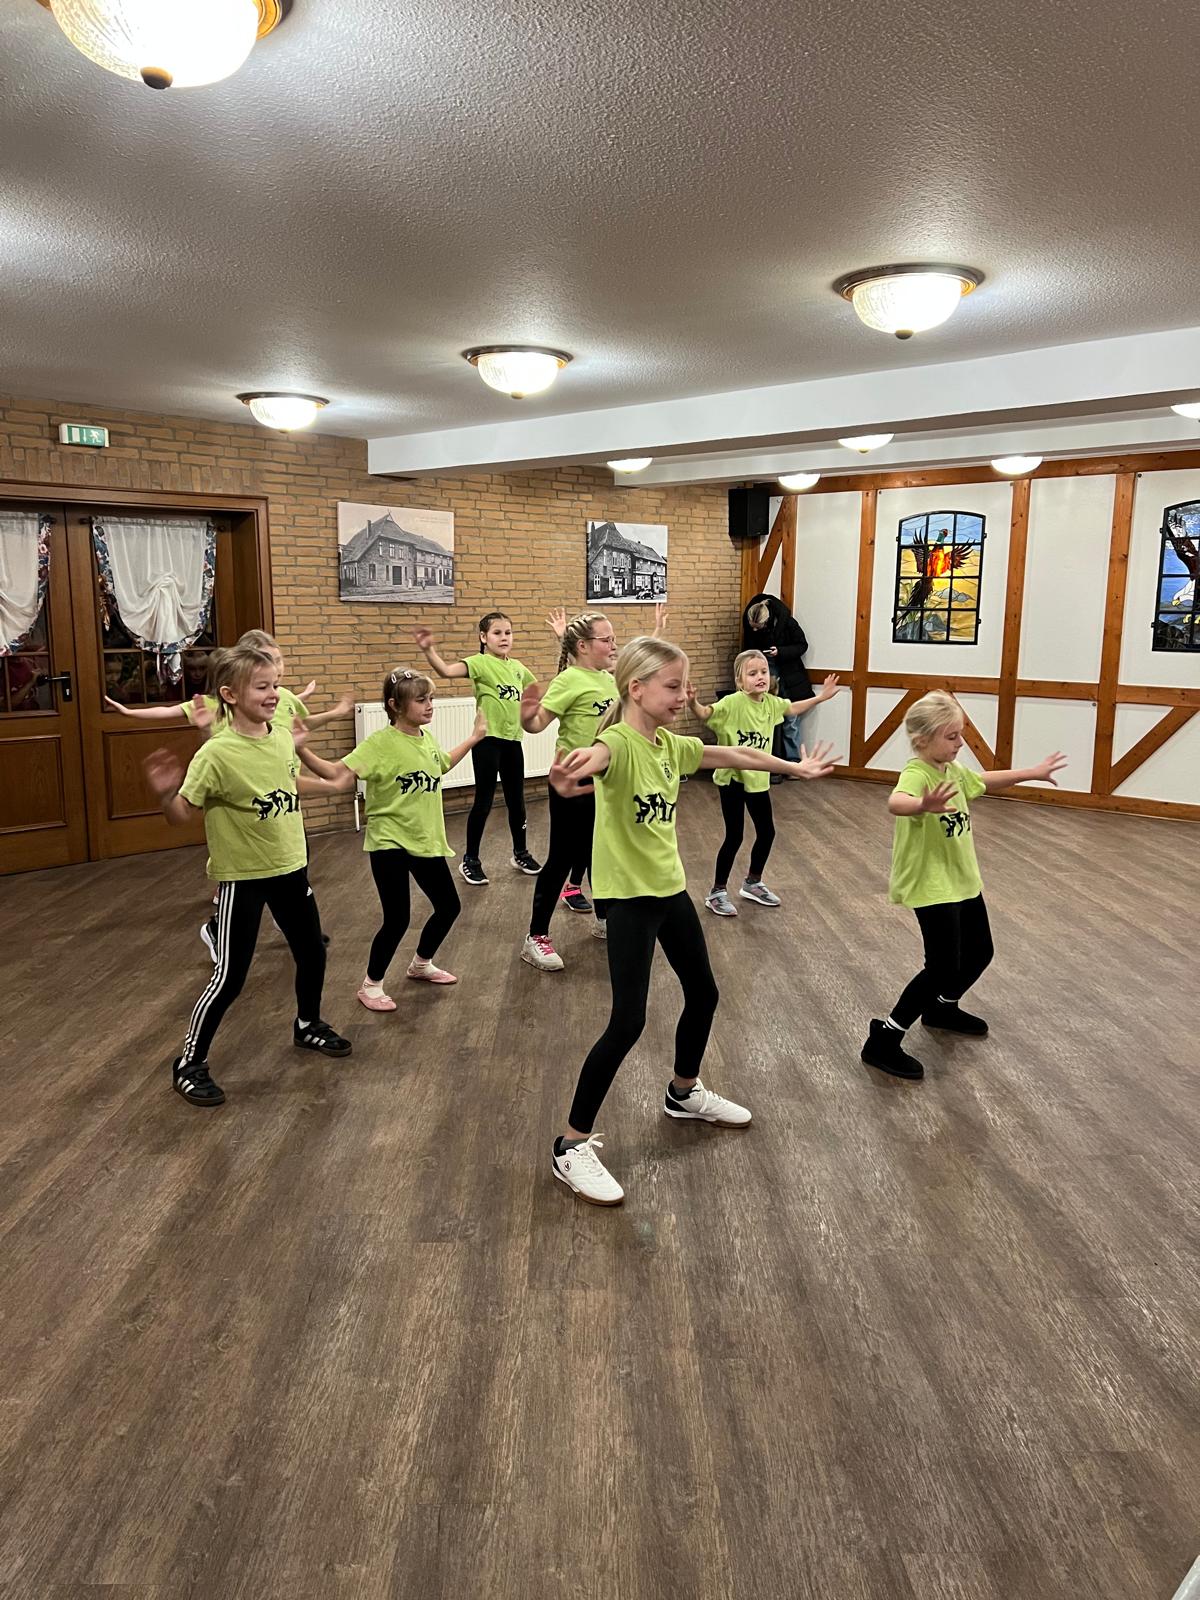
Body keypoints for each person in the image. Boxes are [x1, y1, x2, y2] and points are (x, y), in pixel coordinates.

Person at [548, 635, 839, 1205]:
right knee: (627, 1021)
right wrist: (566, 782)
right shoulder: (618, 742)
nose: (684, 696)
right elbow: (592, 761)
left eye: (684, 686)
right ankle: (570, 1144)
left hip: (670, 892)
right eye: (673, 686)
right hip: (630, 900)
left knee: (703, 994)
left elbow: (736, 756)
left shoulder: (669, 745)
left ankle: (683, 1093)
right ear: (636, 689)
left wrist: (793, 767)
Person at [141, 642, 353, 1108]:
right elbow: (181, 813)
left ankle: (308, 1024)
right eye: (262, 687)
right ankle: (189, 1062)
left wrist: (329, 785)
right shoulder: (216, 754)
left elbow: (284, 780)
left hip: (290, 865)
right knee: (230, 976)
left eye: (274, 684)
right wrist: (165, 794)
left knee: (312, 952)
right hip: (244, 877)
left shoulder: (279, 736)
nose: (274, 694)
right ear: (230, 695)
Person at [861, 690, 1067, 1080]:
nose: (960, 743)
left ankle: (942, 1008)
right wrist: (921, 805)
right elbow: (896, 801)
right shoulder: (919, 773)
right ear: (923, 740)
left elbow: (982, 781)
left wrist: (1031, 772)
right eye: (952, 736)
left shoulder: (952, 770)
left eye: (961, 734)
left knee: (980, 952)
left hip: (962, 879)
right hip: (931, 884)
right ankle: (884, 1039)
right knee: (941, 967)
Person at [294, 669, 487, 1009]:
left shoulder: (425, 738)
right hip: (389, 842)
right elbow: (337, 774)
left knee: (449, 907)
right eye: (421, 700)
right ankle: (371, 985)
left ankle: (421, 964)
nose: (430, 705)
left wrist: (473, 738)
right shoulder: (380, 744)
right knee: (398, 918)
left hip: (425, 840)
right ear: (395, 705)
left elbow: (441, 764)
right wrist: (302, 750)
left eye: (431, 698)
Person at [689, 650, 841, 915]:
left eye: (764, 672)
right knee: (734, 836)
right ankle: (717, 892)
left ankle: (753, 882)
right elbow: (705, 713)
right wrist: (692, 702)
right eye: (752, 673)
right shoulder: (732, 703)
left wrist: (821, 697)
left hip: (758, 779)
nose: (760, 677)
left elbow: (792, 708)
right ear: (739, 681)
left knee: (767, 832)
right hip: (732, 780)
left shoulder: (771, 703)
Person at [517, 610, 620, 970]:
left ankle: (604, 919)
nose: (613, 644)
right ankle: (536, 937)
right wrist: (526, 714)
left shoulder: (608, 679)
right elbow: (537, 724)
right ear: (583, 646)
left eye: (613, 638)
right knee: (562, 858)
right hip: (571, 781)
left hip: (606, 781)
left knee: (600, 853)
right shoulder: (569, 680)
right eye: (606, 639)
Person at [415, 613, 542, 886]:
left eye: (508, 632)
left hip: (513, 741)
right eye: (497, 633)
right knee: (483, 802)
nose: (504, 638)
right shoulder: (479, 663)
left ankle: (520, 853)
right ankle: (470, 860)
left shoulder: (519, 668)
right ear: (484, 637)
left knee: (517, 802)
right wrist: (429, 650)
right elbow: (446, 671)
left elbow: (535, 691)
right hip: (487, 742)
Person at [742, 592, 814, 773]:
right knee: (765, 719)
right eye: (752, 628)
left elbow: (802, 645)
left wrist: (780, 651)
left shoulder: (787, 622)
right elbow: (746, 650)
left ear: (767, 621)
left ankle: (793, 762)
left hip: (788, 675)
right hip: (765, 674)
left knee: (791, 720)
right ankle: (769, 763)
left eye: (759, 628)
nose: (755, 631)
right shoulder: (750, 623)